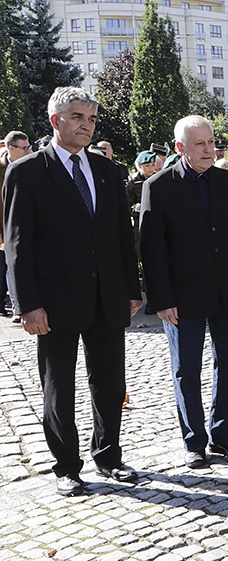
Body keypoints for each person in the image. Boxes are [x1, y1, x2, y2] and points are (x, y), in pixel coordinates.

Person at [4, 87, 143, 495]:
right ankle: (66, 465)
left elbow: (122, 235)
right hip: (54, 302)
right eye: (78, 117)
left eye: (92, 119)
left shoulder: (105, 169)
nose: (87, 125)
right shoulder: (26, 172)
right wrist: (28, 304)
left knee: (110, 383)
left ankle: (109, 455)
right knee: (58, 386)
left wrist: (132, 289)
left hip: (107, 296)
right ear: (55, 121)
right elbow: (17, 244)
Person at [140, 115, 228, 469]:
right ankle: (195, 441)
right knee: (187, 369)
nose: (209, 149)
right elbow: (152, 248)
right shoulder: (159, 186)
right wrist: (161, 299)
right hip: (182, 295)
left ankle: (223, 434)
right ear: (180, 148)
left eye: (211, 142)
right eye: (200, 144)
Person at [1, 131, 30, 318]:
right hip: (3, 223)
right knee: (8, 265)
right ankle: (16, 305)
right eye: (25, 147)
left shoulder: (31, 165)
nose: (29, 151)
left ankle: (22, 304)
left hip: (26, 222)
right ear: (12, 148)